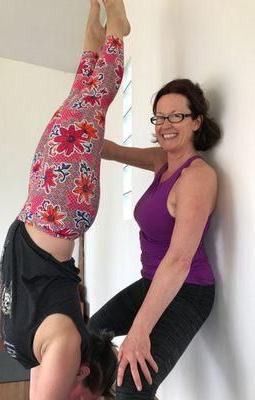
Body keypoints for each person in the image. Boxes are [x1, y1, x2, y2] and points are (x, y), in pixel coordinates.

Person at [0, 1, 131, 399]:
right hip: (59, 207)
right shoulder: (66, 351)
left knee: (83, 90)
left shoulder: (47, 359)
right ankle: (118, 23)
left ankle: (96, 20)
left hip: (41, 202)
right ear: (84, 372)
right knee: (98, 97)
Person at [88, 78, 221, 399]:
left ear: (196, 121)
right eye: (159, 117)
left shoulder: (197, 177)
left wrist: (138, 332)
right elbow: (114, 151)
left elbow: (179, 261)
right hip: (152, 281)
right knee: (89, 339)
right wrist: (79, 128)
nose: (166, 125)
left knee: (133, 386)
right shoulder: (162, 161)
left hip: (189, 291)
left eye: (176, 116)